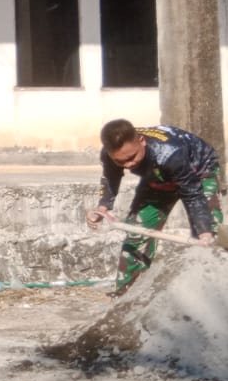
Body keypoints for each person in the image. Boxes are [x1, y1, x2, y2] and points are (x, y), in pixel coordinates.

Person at [86, 119, 221, 289]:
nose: (128, 165)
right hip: (158, 175)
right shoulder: (110, 154)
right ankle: (125, 294)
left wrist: (204, 232)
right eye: (120, 162)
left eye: (131, 158)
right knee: (136, 234)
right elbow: (111, 177)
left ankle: (212, 290)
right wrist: (102, 209)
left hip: (199, 170)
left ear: (142, 141)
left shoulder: (170, 152)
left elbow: (193, 194)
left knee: (208, 235)